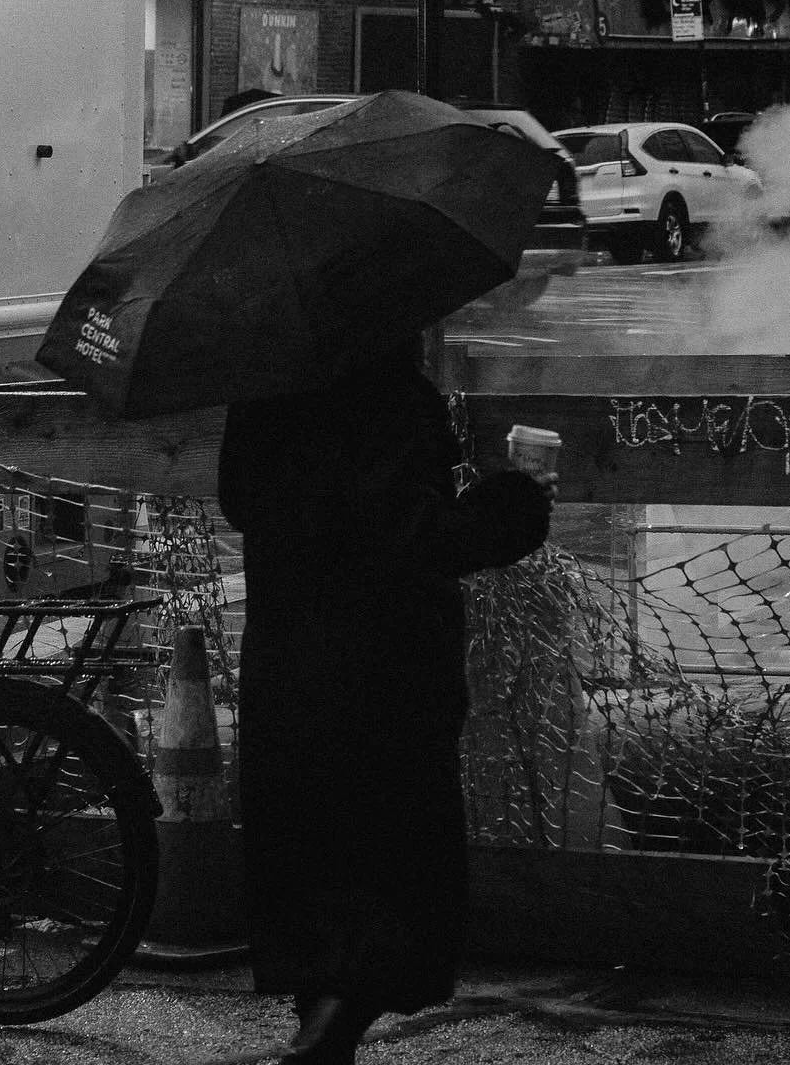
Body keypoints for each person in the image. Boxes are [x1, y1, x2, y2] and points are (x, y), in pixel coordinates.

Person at [217, 336, 556, 1065]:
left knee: (310, 861)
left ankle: (319, 1017)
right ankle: (330, 1027)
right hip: (384, 676)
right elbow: (415, 537)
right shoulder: (391, 398)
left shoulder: (264, 390)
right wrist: (515, 504)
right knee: (391, 872)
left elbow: (241, 501)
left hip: (287, 662)